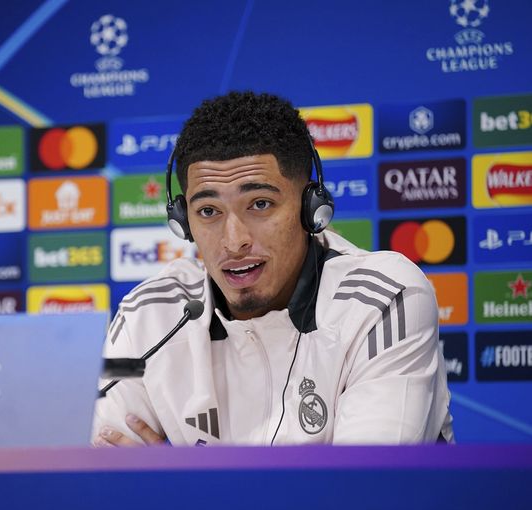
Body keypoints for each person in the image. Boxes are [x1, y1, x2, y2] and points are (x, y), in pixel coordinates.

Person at [93, 91, 453, 447]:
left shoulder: (383, 299)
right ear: (183, 221)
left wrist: (176, 486)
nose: (234, 242)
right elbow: (98, 484)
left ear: (310, 208)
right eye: (208, 212)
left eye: (260, 204)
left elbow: (363, 490)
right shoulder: (148, 317)